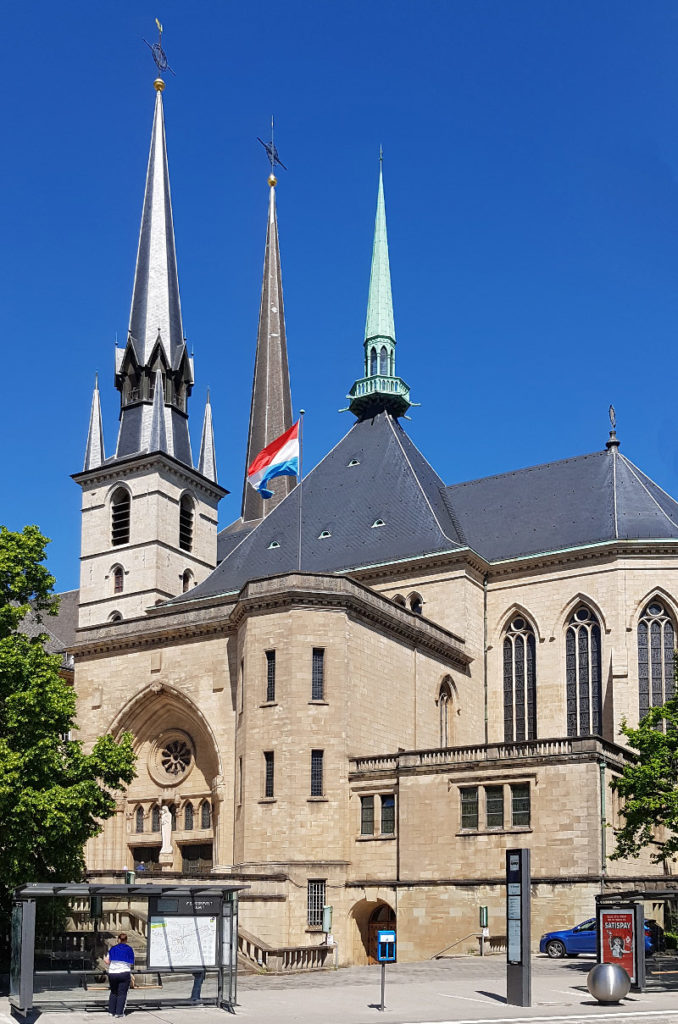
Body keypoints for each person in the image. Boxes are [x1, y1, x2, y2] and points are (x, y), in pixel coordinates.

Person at [105, 931, 135, 1017]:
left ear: (118, 939)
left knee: (113, 992)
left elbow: (107, 961)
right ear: (126, 940)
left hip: (113, 973)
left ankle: (111, 1011)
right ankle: (119, 1013)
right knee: (122, 993)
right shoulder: (129, 949)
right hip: (124, 972)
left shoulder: (113, 948)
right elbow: (132, 962)